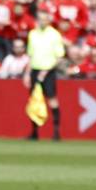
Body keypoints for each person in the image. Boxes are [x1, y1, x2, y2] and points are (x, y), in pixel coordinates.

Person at [25, 10, 65, 141]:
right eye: (40, 19)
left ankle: (56, 131)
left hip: (48, 71)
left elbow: (59, 57)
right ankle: (34, 132)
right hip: (35, 70)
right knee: (35, 101)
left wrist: (46, 71)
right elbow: (30, 55)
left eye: (45, 19)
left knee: (52, 99)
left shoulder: (54, 35)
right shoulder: (33, 34)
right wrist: (27, 73)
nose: (43, 21)